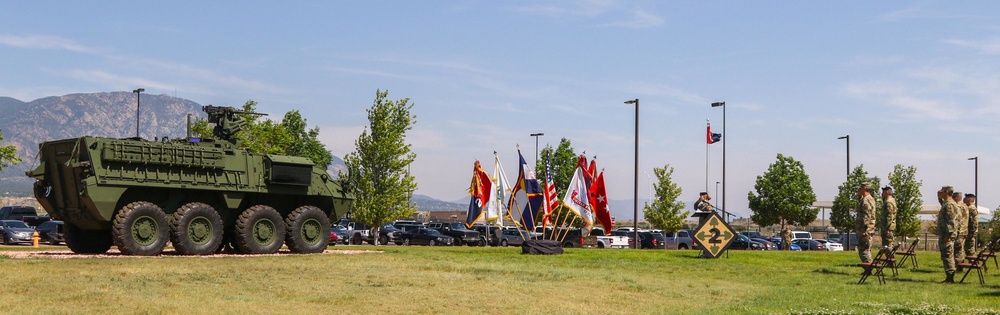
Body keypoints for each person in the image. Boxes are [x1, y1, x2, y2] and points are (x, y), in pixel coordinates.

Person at [937, 186, 959, 283]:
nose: (940, 192)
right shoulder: (947, 203)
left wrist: (948, 235)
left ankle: (950, 278)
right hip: (945, 234)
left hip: (947, 235)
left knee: (948, 255)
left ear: (946, 192)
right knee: (946, 255)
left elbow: (951, 221)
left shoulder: (950, 204)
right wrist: (939, 198)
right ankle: (948, 277)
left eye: (942, 191)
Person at [855, 182, 877, 263]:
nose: (858, 189)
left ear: (864, 188)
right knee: (866, 250)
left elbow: (866, 216)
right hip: (868, 229)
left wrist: (863, 230)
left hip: (865, 230)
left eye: (860, 188)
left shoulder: (866, 200)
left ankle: (869, 269)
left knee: (863, 251)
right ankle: (870, 268)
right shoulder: (869, 199)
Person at [952, 192, 969, 263]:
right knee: (961, 248)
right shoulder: (965, 206)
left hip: (959, 231)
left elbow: (956, 219)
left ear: (956, 198)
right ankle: (960, 264)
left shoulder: (958, 206)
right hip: (964, 230)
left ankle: (958, 266)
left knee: (958, 249)